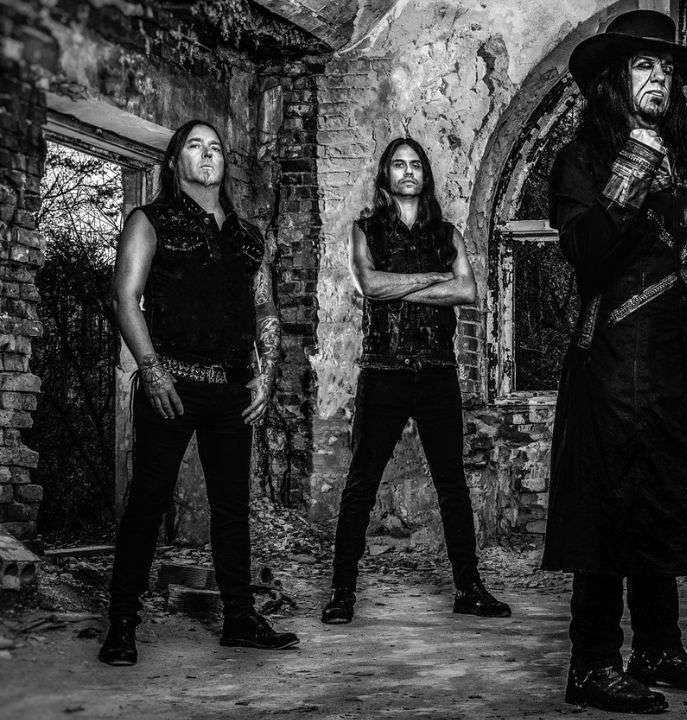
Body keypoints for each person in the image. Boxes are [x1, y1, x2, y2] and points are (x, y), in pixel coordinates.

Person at [541, 10, 687, 713]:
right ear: (614, 80)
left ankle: (657, 648)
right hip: (608, 359)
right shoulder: (583, 159)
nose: (659, 78)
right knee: (607, 511)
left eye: (666, 68)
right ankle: (592, 664)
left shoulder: (682, 161)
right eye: (643, 66)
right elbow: (586, 251)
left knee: (658, 503)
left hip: (666, 362)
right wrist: (634, 161)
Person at [100, 119, 297, 666]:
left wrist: (268, 370)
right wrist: (152, 370)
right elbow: (125, 298)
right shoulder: (150, 220)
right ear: (175, 161)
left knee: (232, 507)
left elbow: (264, 305)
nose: (208, 155)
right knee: (148, 502)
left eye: (215, 148)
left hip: (232, 388)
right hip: (171, 384)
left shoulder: (248, 235)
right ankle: (122, 624)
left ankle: (240, 619)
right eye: (194, 146)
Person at [320, 138, 510, 624]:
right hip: (383, 372)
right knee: (361, 484)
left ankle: (468, 587)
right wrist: (433, 279)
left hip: (437, 372)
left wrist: (400, 286)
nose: (408, 172)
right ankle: (342, 591)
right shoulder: (366, 229)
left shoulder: (447, 234)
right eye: (398, 165)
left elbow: (467, 290)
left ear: (425, 175)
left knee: (452, 484)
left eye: (416, 165)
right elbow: (369, 285)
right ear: (385, 175)